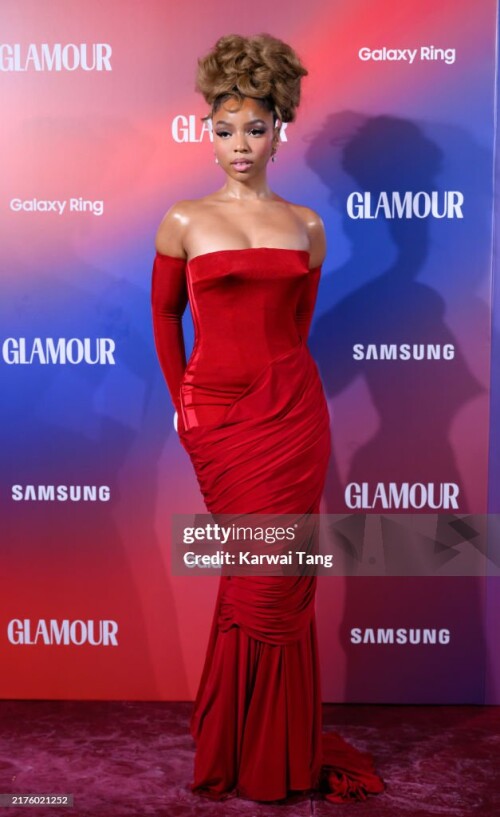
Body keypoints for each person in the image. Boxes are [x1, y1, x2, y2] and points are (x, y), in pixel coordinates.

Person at [151, 32, 385, 804]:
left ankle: (269, 753)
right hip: (220, 420)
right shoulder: (183, 220)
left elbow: (297, 327)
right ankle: (239, 744)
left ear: (280, 128)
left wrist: (277, 395)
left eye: (255, 127)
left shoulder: (308, 227)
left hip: (292, 419)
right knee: (254, 576)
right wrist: (185, 403)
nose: (239, 144)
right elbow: (165, 316)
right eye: (224, 129)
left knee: (278, 579)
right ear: (206, 130)